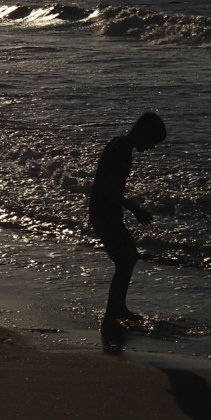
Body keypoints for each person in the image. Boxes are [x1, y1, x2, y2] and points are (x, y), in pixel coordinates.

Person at [89, 111, 167, 350]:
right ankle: (112, 313)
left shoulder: (119, 143)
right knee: (126, 258)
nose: (152, 147)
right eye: (152, 142)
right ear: (145, 134)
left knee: (127, 258)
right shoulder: (122, 151)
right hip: (105, 212)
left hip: (104, 210)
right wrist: (134, 208)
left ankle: (117, 308)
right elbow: (108, 188)